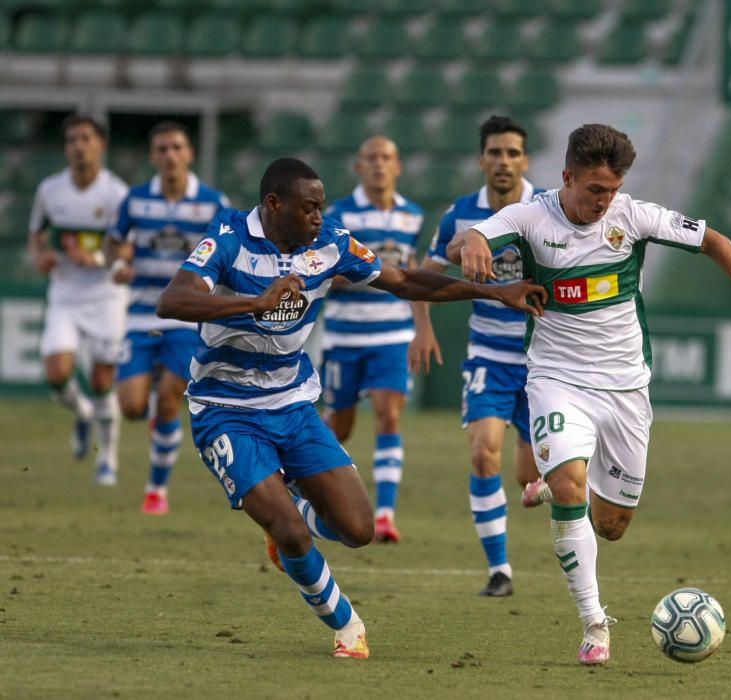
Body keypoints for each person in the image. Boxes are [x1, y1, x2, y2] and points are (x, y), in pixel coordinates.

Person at [155, 157, 545, 659]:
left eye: (321, 207)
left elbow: (404, 281)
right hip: (225, 408)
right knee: (294, 532)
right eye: (309, 208)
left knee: (358, 530)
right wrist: (250, 304)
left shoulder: (330, 243)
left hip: (293, 404)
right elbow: (173, 301)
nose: (319, 217)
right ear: (274, 205)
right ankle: (347, 626)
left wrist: (493, 292)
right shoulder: (229, 238)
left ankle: (287, 529)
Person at [448, 124, 731, 665]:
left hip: (625, 387)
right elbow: (471, 237)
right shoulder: (532, 217)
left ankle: (553, 486)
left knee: (611, 526)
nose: (604, 201)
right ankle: (594, 624)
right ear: (567, 177)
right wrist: (473, 239)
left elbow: (714, 241)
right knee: (570, 489)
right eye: (594, 189)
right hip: (556, 378)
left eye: (612, 190)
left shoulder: (631, 216)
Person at [409, 115, 541, 597]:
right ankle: (499, 571)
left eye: (512, 153)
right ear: (481, 159)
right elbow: (422, 276)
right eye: (494, 153)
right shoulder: (459, 214)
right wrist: (421, 327)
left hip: (543, 361)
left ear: (525, 160)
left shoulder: (547, 209)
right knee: (484, 452)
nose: (503, 162)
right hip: (487, 355)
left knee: (530, 478)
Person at [108, 121, 230, 515]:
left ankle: (155, 490)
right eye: (162, 149)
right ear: (152, 156)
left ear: (189, 153)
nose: (170, 156)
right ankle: (156, 405)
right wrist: (118, 265)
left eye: (176, 148)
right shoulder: (135, 200)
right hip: (142, 315)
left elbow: (229, 248)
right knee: (130, 406)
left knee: (168, 403)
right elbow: (114, 244)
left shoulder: (213, 203)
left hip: (185, 319)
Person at [320, 136, 425, 543]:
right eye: (371, 158)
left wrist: (422, 327)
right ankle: (303, 476)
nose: (379, 165)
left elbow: (413, 273)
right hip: (345, 334)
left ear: (397, 167)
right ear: (358, 167)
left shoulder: (412, 216)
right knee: (340, 425)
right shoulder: (338, 214)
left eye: (387, 158)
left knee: (389, 414)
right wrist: (366, 273)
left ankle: (384, 513)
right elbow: (325, 272)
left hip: (393, 334)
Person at [27, 115, 129, 485]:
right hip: (66, 294)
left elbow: (128, 247)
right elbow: (37, 234)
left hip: (106, 296)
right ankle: (82, 411)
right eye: (71, 139)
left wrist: (101, 259)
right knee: (56, 375)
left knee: (103, 379)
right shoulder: (50, 190)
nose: (78, 145)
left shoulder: (116, 194)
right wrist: (41, 257)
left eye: (86, 138)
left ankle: (109, 460)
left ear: (100, 145)